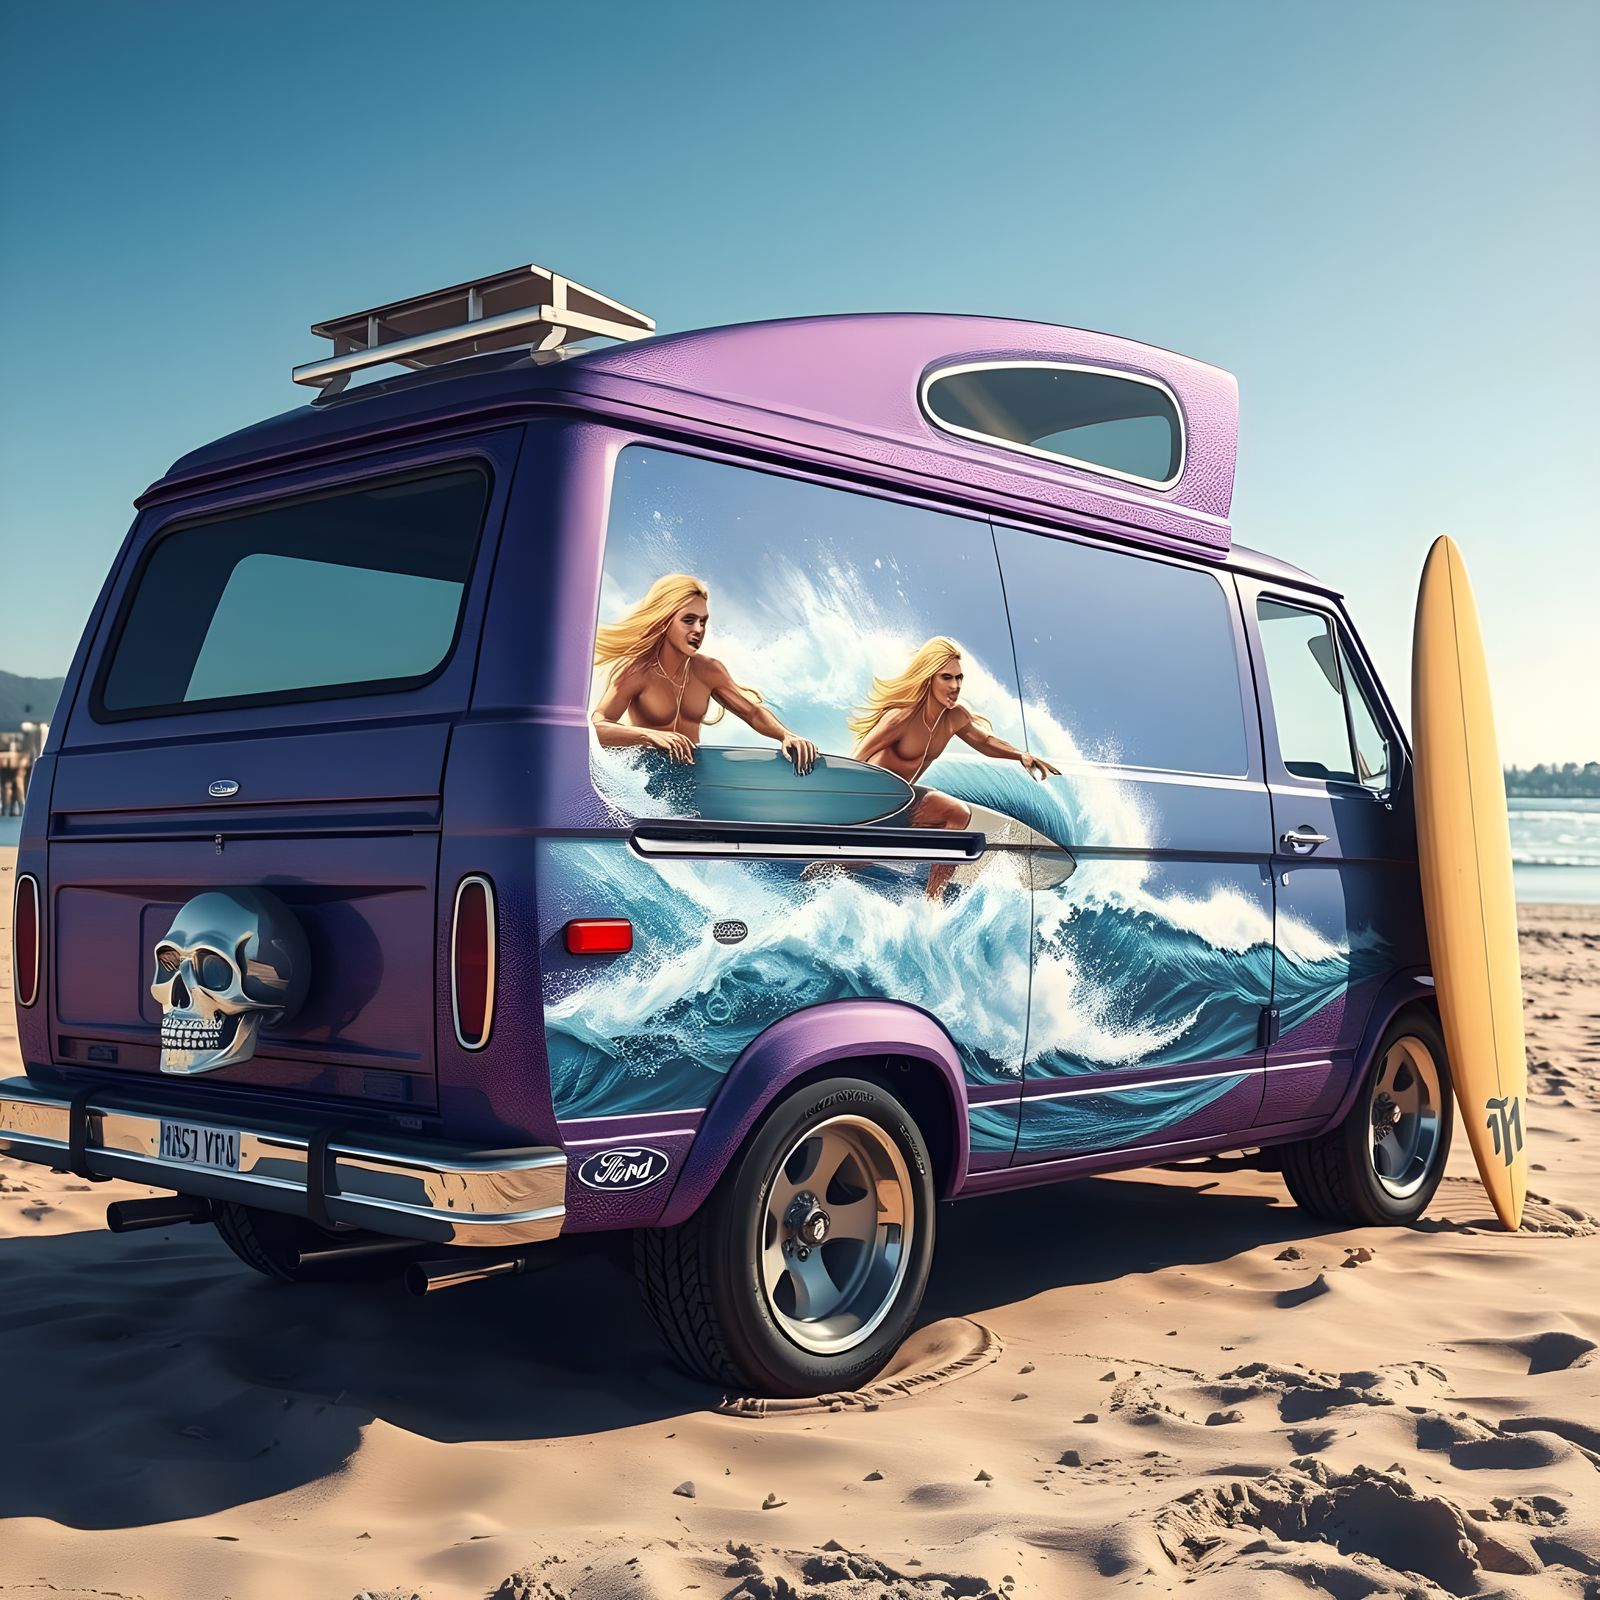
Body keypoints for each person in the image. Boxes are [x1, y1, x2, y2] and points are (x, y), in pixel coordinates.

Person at [849, 637, 1059, 896]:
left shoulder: (953, 718)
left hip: (903, 803)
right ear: (929, 678)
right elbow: (857, 759)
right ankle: (824, 865)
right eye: (946, 678)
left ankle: (933, 898)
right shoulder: (900, 718)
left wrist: (1021, 755)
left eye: (959, 678)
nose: (955, 686)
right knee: (853, 862)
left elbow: (985, 741)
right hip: (872, 806)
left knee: (957, 815)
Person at [591, 573, 817, 772]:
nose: (699, 630)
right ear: (664, 621)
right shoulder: (636, 672)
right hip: (646, 777)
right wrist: (649, 736)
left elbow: (752, 713)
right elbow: (598, 727)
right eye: (688, 620)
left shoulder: (708, 670)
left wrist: (786, 735)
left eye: (703, 621)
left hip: (693, 775)